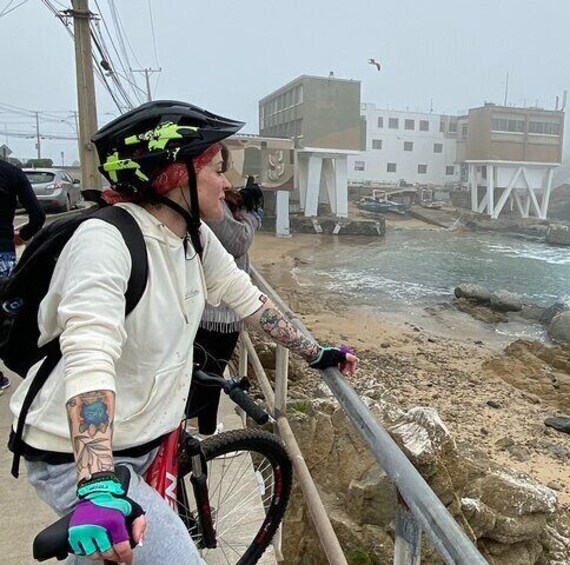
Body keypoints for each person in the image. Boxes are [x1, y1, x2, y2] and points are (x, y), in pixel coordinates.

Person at [7, 100, 357, 565]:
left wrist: (317, 353)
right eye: (217, 167)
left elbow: (250, 301)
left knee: (116, 554)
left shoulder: (191, 234)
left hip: (144, 438)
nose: (228, 182)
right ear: (174, 173)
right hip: (78, 457)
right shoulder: (105, 241)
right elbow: (89, 357)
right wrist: (96, 485)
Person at [187, 176, 263, 436]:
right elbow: (238, 242)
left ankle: (198, 424)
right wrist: (253, 214)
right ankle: (205, 430)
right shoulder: (209, 211)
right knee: (212, 372)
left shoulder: (202, 206)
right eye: (219, 170)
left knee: (204, 371)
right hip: (216, 313)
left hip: (213, 308)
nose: (227, 181)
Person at [0, 157, 46, 393]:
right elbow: (37, 216)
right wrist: (23, 236)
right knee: (5, 316)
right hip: (2, 252)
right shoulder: (11, 173)